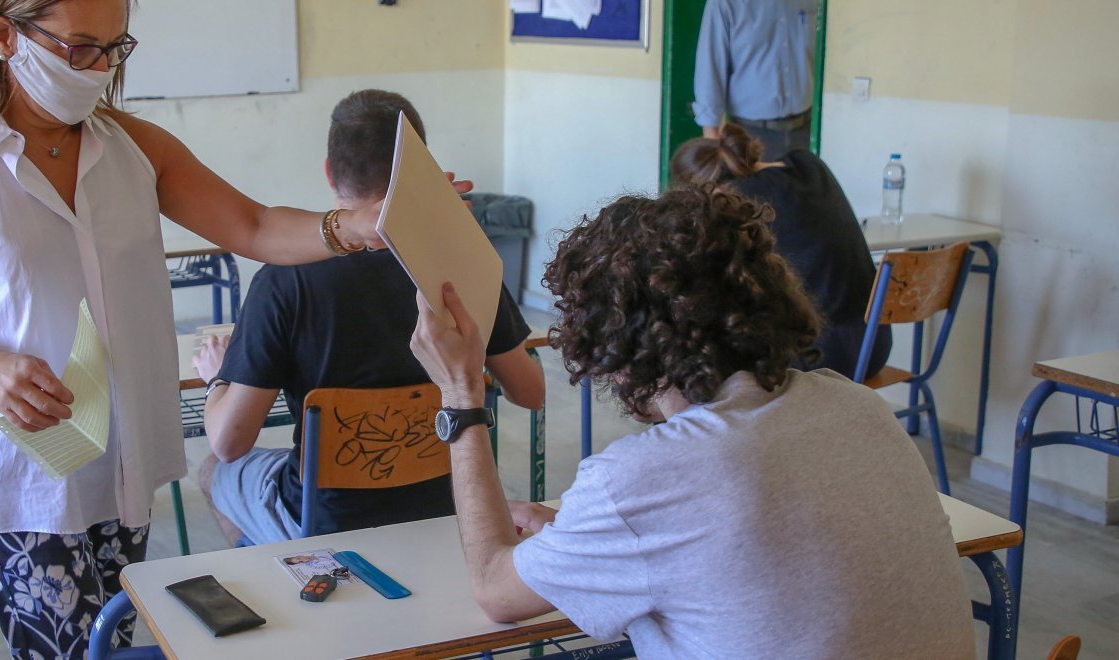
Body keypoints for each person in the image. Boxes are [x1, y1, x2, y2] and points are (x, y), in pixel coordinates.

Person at [0, 3, 466, 657]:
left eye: (114, 48)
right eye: (80, 48)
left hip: (118, 452)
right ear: (4, 36)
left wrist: (356, 225)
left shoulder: (133, 148)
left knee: (113, 636)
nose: (98, 69)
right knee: (67, 650)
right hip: (18, 462)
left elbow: (253, 226)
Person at [407, 185, 976, 658]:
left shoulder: (642, 478)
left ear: (610, 344)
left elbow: (495, 590)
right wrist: (596, 535)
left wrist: (461, 393)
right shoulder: (859, 406)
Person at [192, 89, 544, 545]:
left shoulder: (283, 280)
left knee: (213, 471)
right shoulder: (461, 260)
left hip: (325, 520)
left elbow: (229, 442)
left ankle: (283, 567)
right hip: (453, 504)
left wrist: (218, 380)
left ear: (328, 172)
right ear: (423, 170)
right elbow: (530, 392)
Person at [671, 122, 891, 380]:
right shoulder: (808, 164)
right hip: (875, 343)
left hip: (822, 357)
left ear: (706, 188)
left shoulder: (737, 204)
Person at [693, 0, 817, 160]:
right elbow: (710, 68)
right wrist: (712, 142)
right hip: (749, 134)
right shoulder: (724, 3)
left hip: (807, 129)